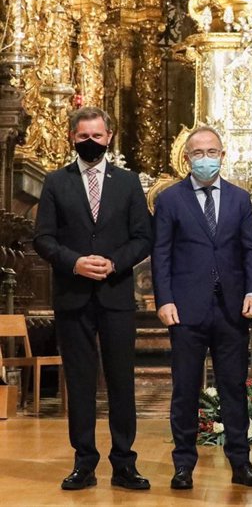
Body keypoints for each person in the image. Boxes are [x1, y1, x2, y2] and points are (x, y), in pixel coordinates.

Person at [34, 106, 152, 491]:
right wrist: (75, 263)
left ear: (109, 137)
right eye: (83, 136)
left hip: (116, 295)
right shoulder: (55, 182)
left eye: (97, 136)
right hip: (73, 296)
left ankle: (124, 463)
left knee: (121, 382)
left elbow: (143, 237)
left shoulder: (129, 182)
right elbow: (43, 238)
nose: (90, 142)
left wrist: (114, 262)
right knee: (81, 384)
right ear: (72, 138)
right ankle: (84, 462)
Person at [151, 126, 252, 489]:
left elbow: (250, 250)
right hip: (185, 308)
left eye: (212, 151)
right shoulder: (171, 199)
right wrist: (164, 299)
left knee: (234, 387)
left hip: (231, 308)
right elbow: (162, 254)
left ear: (223, 155)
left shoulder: (238, 198)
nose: (205, 158)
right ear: (187, 158)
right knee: (185, 388)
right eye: (198, 153)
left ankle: (240, 463)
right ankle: (183, 464)